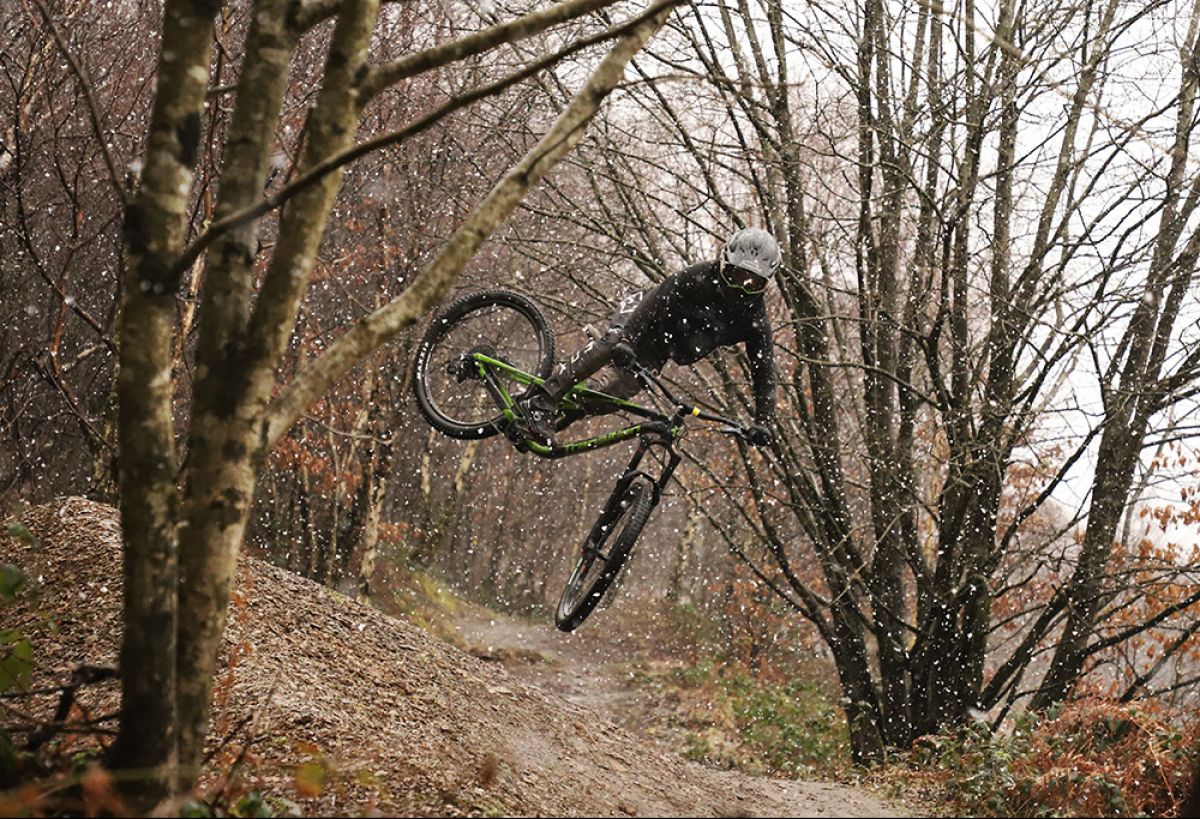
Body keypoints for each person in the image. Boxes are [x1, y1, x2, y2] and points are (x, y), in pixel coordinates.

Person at [518, 227, 780, 448]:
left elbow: (764, 370)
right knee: (612, 343)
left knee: (613, 395)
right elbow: (657, 297)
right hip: (641, 316)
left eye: (752, 283)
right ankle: (542, 399)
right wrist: (627, 340)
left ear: (765, 284)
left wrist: (764, 422)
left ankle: (552, 412)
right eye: (735, 276)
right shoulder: (700, 276)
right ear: (723, 263)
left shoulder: (755, 321)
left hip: (660, 348)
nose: (740, 288)